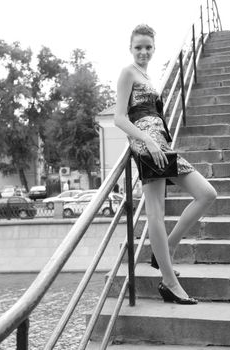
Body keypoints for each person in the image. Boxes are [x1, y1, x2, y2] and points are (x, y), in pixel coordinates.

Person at [114, 24, 217, 304]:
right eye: (138, 47)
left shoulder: (147, 75)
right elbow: (119, 118)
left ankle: (167, 249)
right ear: (130, 48)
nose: (144, 52)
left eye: (148, 47)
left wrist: (157, 142)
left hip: (162, 145)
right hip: (147, 146)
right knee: (156, 213)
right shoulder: (128, 73)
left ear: (154, 48)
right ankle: (169, 283)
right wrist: (146, 141)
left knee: (207, 193)